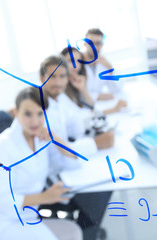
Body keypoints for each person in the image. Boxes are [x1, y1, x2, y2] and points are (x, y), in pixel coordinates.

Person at [0, 87, 83, 240]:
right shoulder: (2, 147)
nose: (35, 121)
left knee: (73, 232)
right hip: (1, 223)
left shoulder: (40, 137)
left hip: (28, 217)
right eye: (28, 114)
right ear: (16, 113)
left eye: (40, 114)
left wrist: (56, 139)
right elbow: (3, 200)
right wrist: (45, 197)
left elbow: (72, 163)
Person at [40, 55, 112, 240]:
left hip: (66, 163)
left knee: (106, 178)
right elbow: (56, 151)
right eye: (52, 76)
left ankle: (88, 229)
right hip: (52, 175)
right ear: (41, 78)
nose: (58, 82)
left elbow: (76, 123)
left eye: (62, 76)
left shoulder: (58, 99)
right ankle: (87, 232)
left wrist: (97, 129)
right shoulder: (39, 108)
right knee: (102, 191)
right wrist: (95, 144)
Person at [61, 46, 127, 115]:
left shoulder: (76, 81)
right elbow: (79, 116)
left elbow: (91, 106)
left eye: (78, 61)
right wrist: (114, 109)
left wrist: (83, 88)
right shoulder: (61, 87)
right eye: (71, 61)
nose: (76, 65)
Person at [83, 28, 127, 106]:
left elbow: (117, 89)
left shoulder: (103, 64)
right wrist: (97, 96)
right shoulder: (77, 63)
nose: (94, 47)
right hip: (82, 106)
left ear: (102, 45)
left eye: (98, 43)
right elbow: (74, 92)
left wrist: (110, 68)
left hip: (98, 105)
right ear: (85, 44)